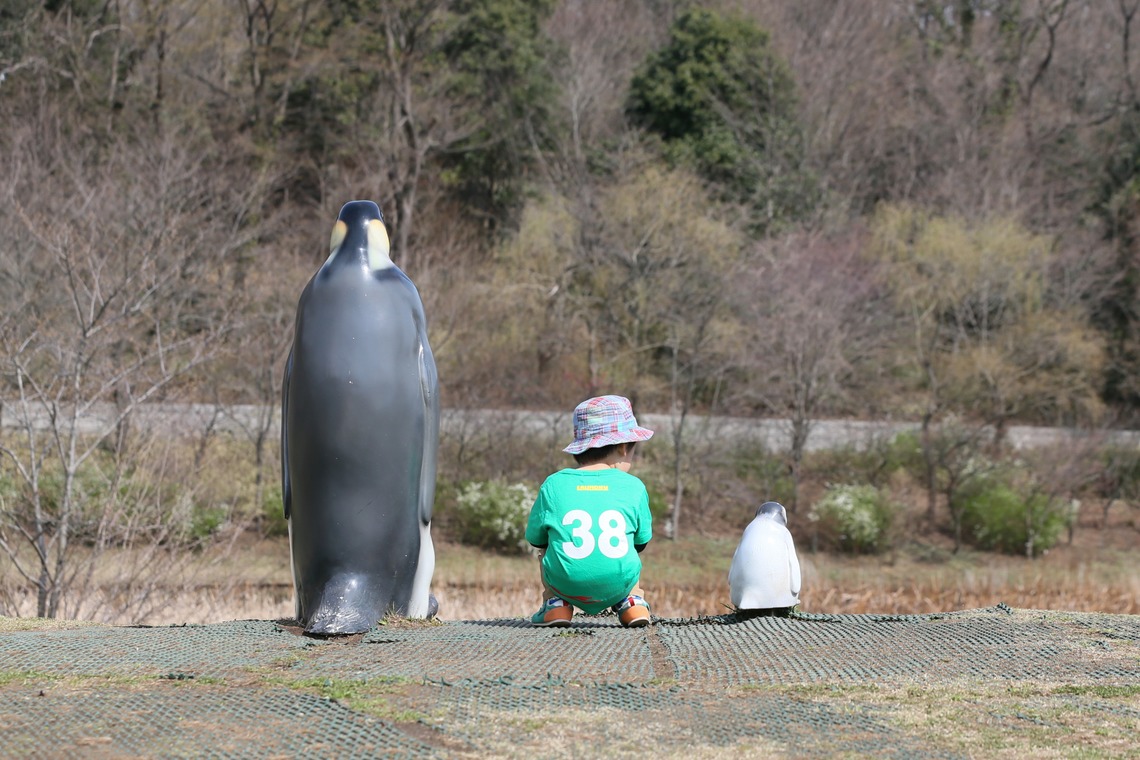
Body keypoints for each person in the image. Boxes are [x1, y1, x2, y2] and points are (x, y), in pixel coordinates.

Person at [525, 395, 655, 628]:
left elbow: (535, 538)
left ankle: (556, 605)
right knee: (629, 551)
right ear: (623, 447)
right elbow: (641, 541)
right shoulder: (634, 486)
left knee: (546, 549)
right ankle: (633, 603)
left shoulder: (554, 484)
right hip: (619, 582)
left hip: (566, 582)